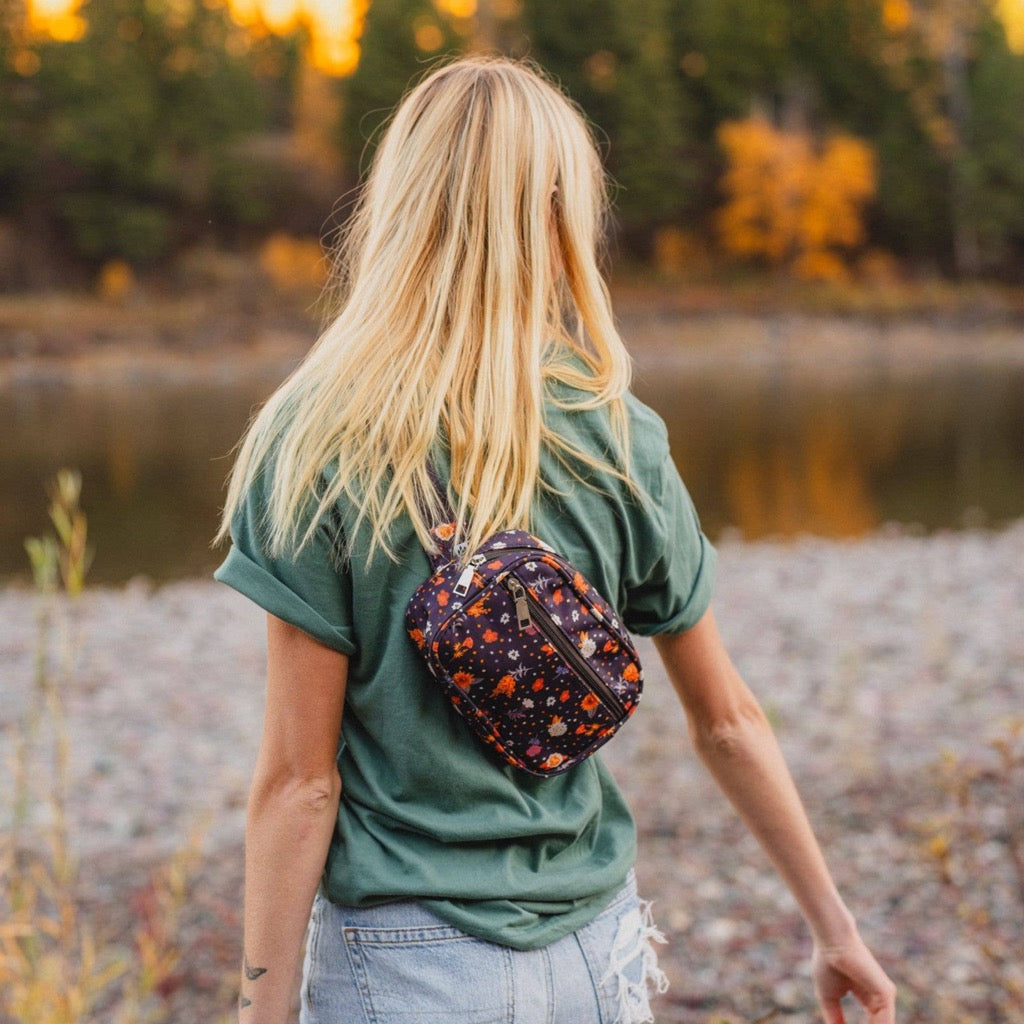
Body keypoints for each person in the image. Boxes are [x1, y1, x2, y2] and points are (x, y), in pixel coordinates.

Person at [212, 54, 897, 1024]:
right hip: (593, 952)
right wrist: (833, 928)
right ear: (556, 211)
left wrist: (260, 1011)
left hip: (403, 961)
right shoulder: (618, 431)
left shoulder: (318, 437)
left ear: (401, 201)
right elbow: (727, 719)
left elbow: (298, 782)